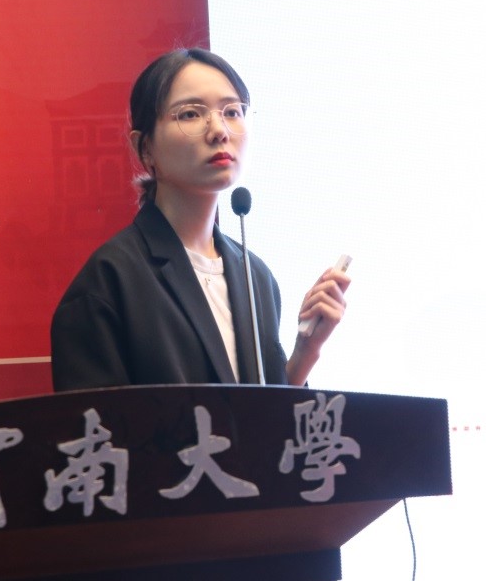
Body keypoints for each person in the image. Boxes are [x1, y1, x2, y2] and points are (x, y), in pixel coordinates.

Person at [50, 48, 349, 391]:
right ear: (145, 148)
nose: (219, 130)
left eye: (232, 112)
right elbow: (97, 424)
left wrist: (306, 351)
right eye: (191, 114)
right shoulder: (108, 281)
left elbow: (265, 415)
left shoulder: (256, 276)